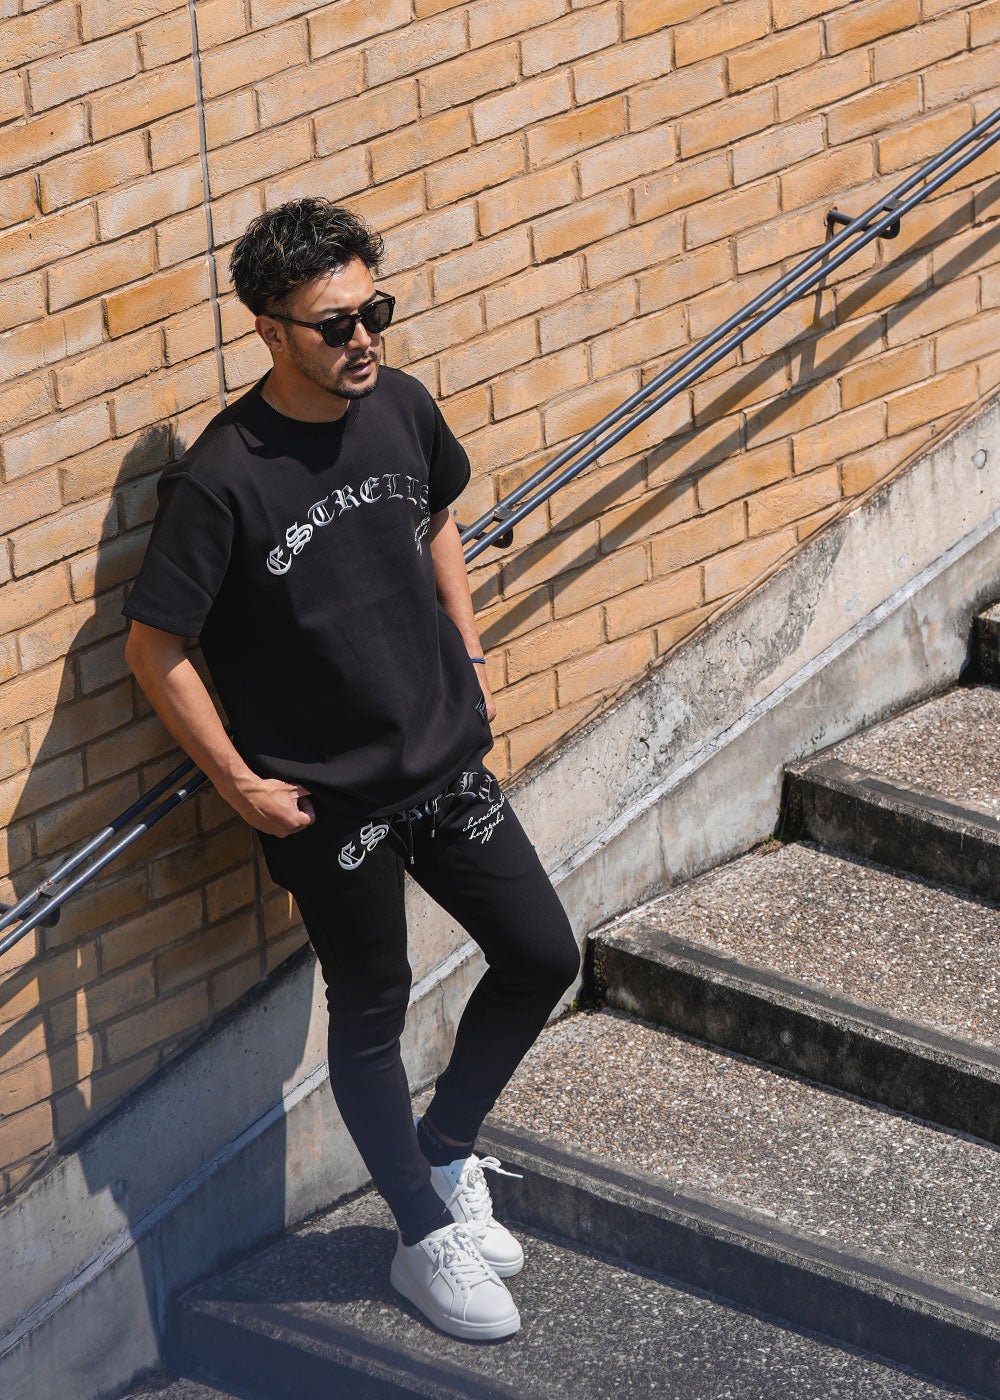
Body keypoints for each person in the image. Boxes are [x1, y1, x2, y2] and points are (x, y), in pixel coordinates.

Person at [123, 198, 579, 1342]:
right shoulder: (223, 479)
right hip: (330, 804)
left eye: (374, 310)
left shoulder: (401, 406)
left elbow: (436, 514)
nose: (364, 337)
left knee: (541, 951)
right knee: (372, 1011)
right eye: (336, 325)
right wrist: (240, 786)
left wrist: (467, 644)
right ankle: (423, 1237)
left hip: (442, 759)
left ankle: (446, 1150)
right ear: (270, 330)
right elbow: (155, 645)